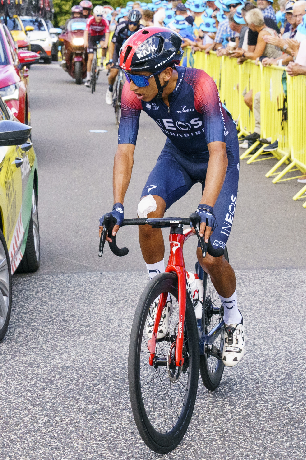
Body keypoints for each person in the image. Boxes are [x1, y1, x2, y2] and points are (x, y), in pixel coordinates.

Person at [100, 27, 246, 366]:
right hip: (177, 157)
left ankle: (232, 317)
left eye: (138, 76)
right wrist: (117, 206)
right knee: (146, 213)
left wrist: (206, 207)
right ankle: (160, 298)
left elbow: (218, 153)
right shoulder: (134, 91)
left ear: (165, 73)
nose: (132, 85)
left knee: (209, 255)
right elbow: (125, 151)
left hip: (217, 158)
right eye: (128, 76)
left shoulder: (200, 85)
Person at [106, 9, 142, 104]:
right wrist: (110, 60)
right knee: (114, 72)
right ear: (127, 20)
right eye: (130, 23)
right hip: (119, 51)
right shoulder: (121, 26)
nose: (132, 26)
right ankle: (110, 89)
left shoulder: (142, 30)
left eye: (134, 24)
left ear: (138, 23)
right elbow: (113, 44)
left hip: (133, 54)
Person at [83, 5, 109, 86]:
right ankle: (88, 78)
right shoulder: (90, 20)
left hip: (101, 36)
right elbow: (86, 31)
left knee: (103, 45)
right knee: (90, 58)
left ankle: (101, 61)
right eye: (98, 15)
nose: (99, 17)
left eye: (101, 15)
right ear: (94, 14)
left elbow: (107, 33)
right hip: (92, 37)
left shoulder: (105, 21)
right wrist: (85, 41)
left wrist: (106, 43)